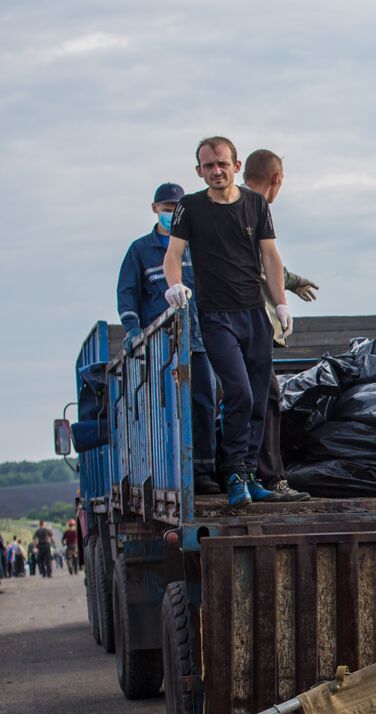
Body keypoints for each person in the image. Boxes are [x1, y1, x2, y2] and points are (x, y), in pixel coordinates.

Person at [165, 136, 296, 507]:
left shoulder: (255, 204)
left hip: (254, 313)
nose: (216, 171)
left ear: (236, 166)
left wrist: (282, 304)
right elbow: (172, 255)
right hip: (215, 315)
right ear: (198, 171)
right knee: (237, 391)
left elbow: (270, 257)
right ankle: (234, 474)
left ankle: (250, 474)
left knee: (257, 396)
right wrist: (173, 286)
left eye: (222, 164)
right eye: (208, 166)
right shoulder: (190, 208)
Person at [117, 183, 222, 495]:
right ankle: (166, 474)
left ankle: (203, 471)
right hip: (160, 348)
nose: (170, 213)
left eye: (175, 208)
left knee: (203, 401)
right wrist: (133, 331)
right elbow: (127, 296)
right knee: (162, 409)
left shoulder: (197, 246)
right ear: (154, 209)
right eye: (165, 208)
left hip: (198, 341)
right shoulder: (139, 251)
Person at [241, 149, 315, 502]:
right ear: (277, 179)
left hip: (235, 324)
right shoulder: (253, 207)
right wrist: (289, 285)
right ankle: (268, 478)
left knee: (255, 397)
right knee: (265, 399)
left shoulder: (235, 205)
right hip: (251, 322)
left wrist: (291, 280)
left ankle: (256, 475)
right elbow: (261, 265)